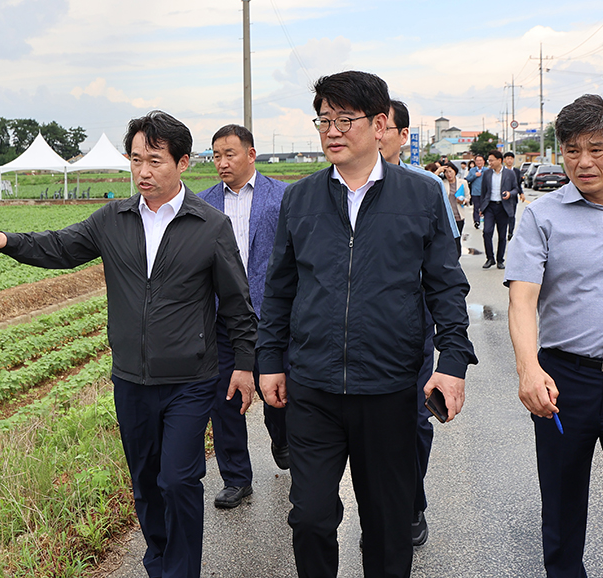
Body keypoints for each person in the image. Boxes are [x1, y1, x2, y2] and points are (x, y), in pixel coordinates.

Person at [0, 110, 257, 578]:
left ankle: (180, 571)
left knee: (179, 480)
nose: (143, 171)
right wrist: (7, 239)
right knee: (146, 483)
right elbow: (60, 247)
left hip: (190, 379)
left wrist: (245, 365)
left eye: (155, 160)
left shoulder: (209, 225)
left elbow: (237, 303)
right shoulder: (113, 218)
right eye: (136, 160)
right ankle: (158, 560)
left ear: (181, 163)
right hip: (131, 380)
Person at [257, 71, 477, 578]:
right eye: (324, 119)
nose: (331, 130)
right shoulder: (301, 198)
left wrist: (453, 363)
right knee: (310, 517)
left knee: (387, 524)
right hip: (314, 387)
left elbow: (446, 286)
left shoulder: (420, 197)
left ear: (380, 125)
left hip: (390, 389)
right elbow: (280, 289)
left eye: (344, 119)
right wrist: (269, 361)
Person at [505, 94, 603, 578]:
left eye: (597, 148)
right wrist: (529, 370)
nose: (583, 161)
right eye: (571, 150)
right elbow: (522, 299)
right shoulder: (542, 216)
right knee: (564, 518)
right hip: (565, 385)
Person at [380, 99, 462, 547]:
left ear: (400, 134)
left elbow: (444, 266)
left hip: (412, 325)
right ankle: (381, 510)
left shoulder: (426, 187)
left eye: (384, 127)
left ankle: (411, 503)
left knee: (413, 419)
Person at [198, 124, 289, 509]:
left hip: (273, 314)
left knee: (280, 392)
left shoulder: (283, 196)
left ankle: (283, 441)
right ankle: (236, 477)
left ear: (251, 154)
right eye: (216, 155)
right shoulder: (201, 203)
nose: (221, 163)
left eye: (229, 154)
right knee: (226, 397)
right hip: (222, 317)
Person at [479, 149, 519, 269]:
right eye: (489, 160)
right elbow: (483, 192)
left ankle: (500, 259)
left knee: (502, 235)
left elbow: (516, 189)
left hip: (503, 207)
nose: (489, 162)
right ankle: (490, 258)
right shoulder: (487, 173)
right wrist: (482, 207)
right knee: (487, 232)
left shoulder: (509, 174)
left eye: (491, 160)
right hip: (490, 207)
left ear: (499, 160)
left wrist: (510, 194)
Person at [439, 162, 469, 255]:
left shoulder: (462, 182)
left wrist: (463, 201)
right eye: (446, 172)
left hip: (458, 216)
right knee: (447, 239)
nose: (449, 174)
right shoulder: (442, 183)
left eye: (450, 172)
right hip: (446, 216)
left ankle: (456, 258)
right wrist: (438, 171)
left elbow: (468, 197)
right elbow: (431, 178)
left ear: (455, 172)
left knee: (457, 239)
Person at [466, 154, 485, 227]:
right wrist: (475, 175)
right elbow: (468, 179)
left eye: (480, 160)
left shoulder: (487, 170)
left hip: (484, 193)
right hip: (475, 192)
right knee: (476, 208)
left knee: (485, 207)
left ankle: (485, 220)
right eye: (477, 160)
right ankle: (476, 221)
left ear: (483, 161)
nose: (479, 162)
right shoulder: (472, 170)